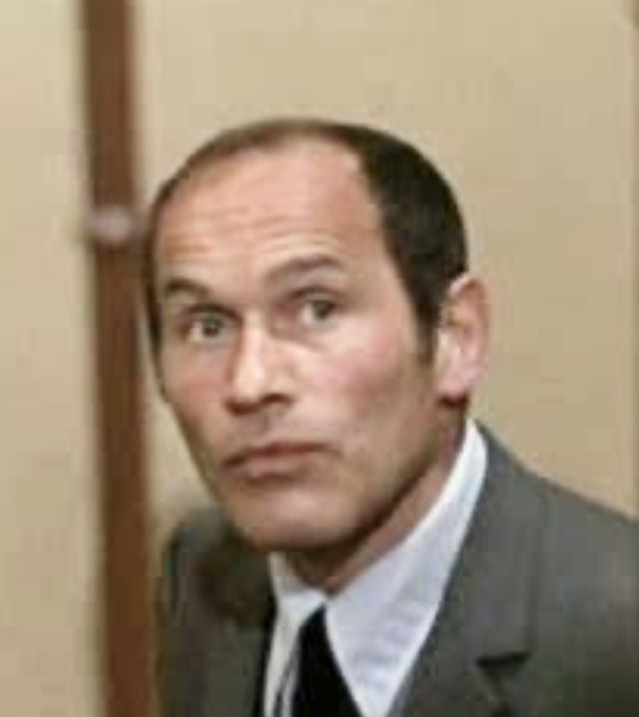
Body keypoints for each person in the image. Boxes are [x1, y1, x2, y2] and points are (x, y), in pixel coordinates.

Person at [145, 118, 639, 717]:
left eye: (317, 309)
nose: (250, 383)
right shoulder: (202, 572)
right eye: (207, 326)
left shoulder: (616, 633)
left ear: (455, 337)